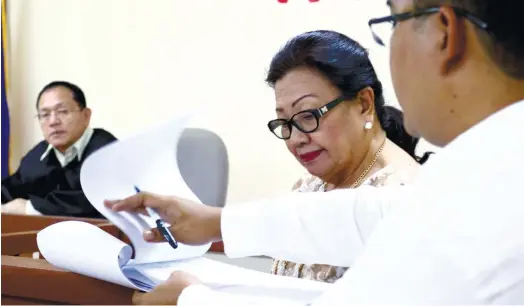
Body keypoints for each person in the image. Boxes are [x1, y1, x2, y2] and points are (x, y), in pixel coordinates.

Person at [105, 0, 524, 304]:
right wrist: (215, 221)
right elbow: (373, 216)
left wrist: (192, 299)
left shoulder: (485, 202)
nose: (297, 137)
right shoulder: (481, 174)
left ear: (444, 31)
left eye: (392, 21)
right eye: (285, 122)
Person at [265, 30, 431, 283]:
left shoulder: (401, 198)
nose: (295, 139)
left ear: (364, 104)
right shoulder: (308, 187)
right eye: (285, 122)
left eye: (308, 115)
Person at [2, 81, 117, 218]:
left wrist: (28, 208)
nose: (53, 121)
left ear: (86, 116)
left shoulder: (108, 150)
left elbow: (93, 200)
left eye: (62, 112)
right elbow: (11, 188)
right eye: (45, 115)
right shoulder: (37, 156)